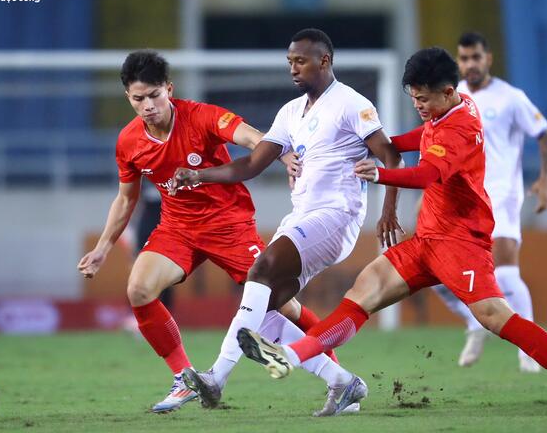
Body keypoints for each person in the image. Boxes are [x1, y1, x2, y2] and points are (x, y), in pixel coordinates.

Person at [237, 47, 547, 417]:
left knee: (496, 317)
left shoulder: (461, 128)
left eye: (423, 98)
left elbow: (426, 174)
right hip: (425, 241)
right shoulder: (449, 107)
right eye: (413, 97)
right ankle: (290, 355)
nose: (418, 104)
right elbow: (421, 135)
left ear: (447, 92)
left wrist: (379, 172)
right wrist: (370, 143)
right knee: (363, 293)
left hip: (460, 244)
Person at [77, 50, 338, 413]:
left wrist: (279, 154)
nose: (148, 105)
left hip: (229, 224)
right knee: (138, 289)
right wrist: (104, 247)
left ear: (169, 89)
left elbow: (247, 135)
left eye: (155, 95)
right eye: (139, 99)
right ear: (128, 98)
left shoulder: (202, 116)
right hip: (177, 227)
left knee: (279, 304)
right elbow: (126, 199)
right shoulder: (128, 142)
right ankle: (185, 379)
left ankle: (338, 377)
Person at [170, 28, 402, 416]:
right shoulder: (291, 111)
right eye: (289, 62)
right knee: (263, 307)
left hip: (337, 214)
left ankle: (215, 379)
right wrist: (199, 176)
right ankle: (343, 383)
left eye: (301, 61)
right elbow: (251, 164)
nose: (293, 68)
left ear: (324, 61)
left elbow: (392, 158)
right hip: (302, 214)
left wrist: (388, 210)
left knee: (260, 269)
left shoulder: (351, 103)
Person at [431, 31, 547, 371]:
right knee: (438, 273)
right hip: (462, 197)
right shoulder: (453, 98)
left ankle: (530, 349)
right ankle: (474, 322)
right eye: (464, 58)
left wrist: (544, 180)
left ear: (488, 59)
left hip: (500, 194)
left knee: (504, 271)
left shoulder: (511, 98)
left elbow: (545, 136)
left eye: (476, 57)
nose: (470, 64)